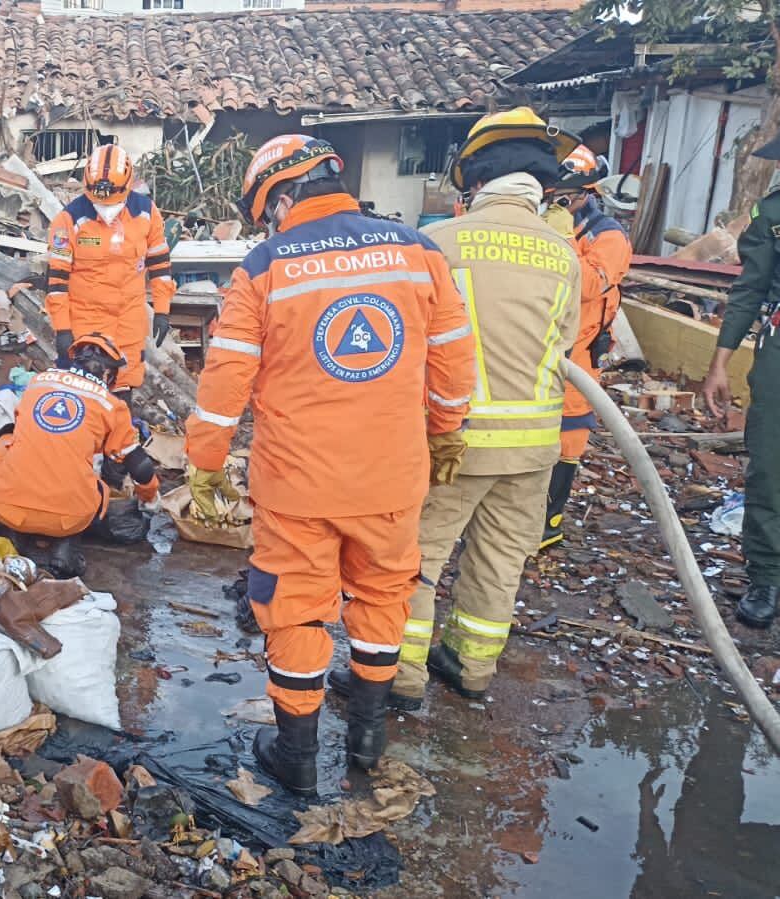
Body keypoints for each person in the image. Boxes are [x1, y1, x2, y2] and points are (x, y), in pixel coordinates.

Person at [184, 134, 476, 794]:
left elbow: (225, 379)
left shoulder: (264, 267)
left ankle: (296, 754)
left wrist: (205, 461)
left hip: (297, 485)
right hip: (391, 476)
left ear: (280, 199)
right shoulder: (419, 252)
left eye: (268, 212)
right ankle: (367, 739)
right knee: (383, 596)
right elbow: (454, 361)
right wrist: (444, 432)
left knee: (294, 610)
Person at [331, 108, 582, 708]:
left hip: (451, 439)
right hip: (534, 447)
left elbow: (400, 345)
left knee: (413, 560)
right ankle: (471, 667)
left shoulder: (439, 243)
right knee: (500, 559)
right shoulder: (566, 255)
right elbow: (567, 345)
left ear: (473, 176)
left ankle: (400, 676)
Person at [0, 334, 160, 577]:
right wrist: (149, 498)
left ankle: (17, 533)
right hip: (67, 519)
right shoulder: (111, 405)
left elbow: (19, 429)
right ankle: (65, 548)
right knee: (98, 488)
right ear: (108, 374)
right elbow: (139, 466)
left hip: (5, 507)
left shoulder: (38, 383)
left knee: (6, 440)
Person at [702, 134, 780, 628]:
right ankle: (766, 577)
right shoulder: (772, 213)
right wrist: (719, 363)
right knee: (770, 466)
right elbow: (750, 289)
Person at [541, 144, 633, 548]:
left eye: (563, 197)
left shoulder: (607, 235)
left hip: (578, 352)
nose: (555, 203)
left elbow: (590, 284)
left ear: (586, 193)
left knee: (569, 435)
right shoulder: (543, 222)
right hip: (537, 344)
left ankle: (548, 523)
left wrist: (561, 238)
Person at [46, 144, 177, 398]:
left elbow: (160, 265)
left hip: (129, 323)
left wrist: (162, 311)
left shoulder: (146, 213)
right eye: (98, 198)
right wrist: (62, 329)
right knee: (83, 396)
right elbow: (56, 280)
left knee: (123, 395)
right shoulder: (68, 220)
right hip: (86, 325)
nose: (105, 206)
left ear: (127, 186)